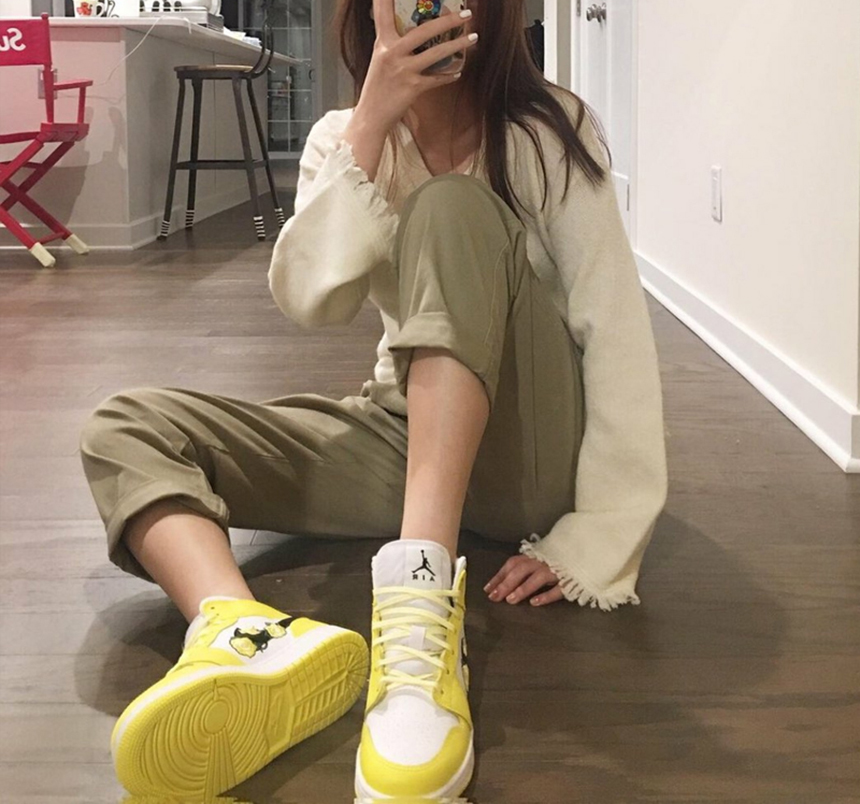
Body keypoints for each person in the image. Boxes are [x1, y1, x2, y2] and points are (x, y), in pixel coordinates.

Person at [78, 0, 668, 800]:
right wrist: (371, 121)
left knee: (450, 208)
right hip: (411, 432)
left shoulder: (546, 132)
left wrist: (598, 534)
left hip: (530, 448)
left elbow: (615, 327)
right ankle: (243, 634)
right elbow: (308, 300)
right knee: (126, 426)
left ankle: (419, 600)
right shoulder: (343, 138)